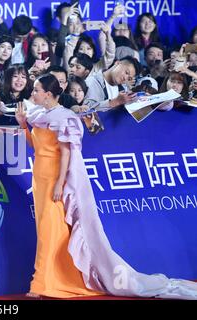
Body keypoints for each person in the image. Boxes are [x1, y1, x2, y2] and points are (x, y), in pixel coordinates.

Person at [15, 74, 197, 300]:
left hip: (54, 180)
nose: (32, 94)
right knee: (47, 231)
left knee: (50, 233)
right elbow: (37, 147)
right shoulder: (39, 116)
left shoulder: (64, 117)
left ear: (49, 94)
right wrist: (23, 124)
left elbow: (65, 155)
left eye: (36, 90)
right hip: (39, 180)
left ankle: (42, 284)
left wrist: (60, 184)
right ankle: (55, 280)